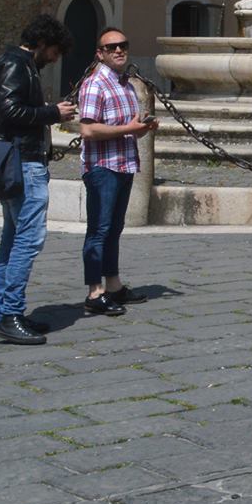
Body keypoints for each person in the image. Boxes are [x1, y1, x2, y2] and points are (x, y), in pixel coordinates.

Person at [0, 14, 76, 345]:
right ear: (42, 43)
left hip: (20, 161)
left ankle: (6, 314)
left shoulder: (20, 64)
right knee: (29, 238)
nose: (55, 58)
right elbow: (10, 111)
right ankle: (10, 314)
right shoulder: (16, 65)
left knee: (13, 237)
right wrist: (53, 113)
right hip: (22, 162)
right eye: (54, 51)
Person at [76, 28, 157, 317]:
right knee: (98, 230)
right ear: (100, 53)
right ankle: (94, 292)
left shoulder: (124, 85)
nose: (119, 51)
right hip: (102, 167)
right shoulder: (95, 84)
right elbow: (87, 129)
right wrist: (129, 130)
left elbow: (126, 126)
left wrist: (141, 128)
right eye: (111, 48)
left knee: (114, 229)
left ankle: (113, 285)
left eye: (123, 45)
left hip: (123, 163)